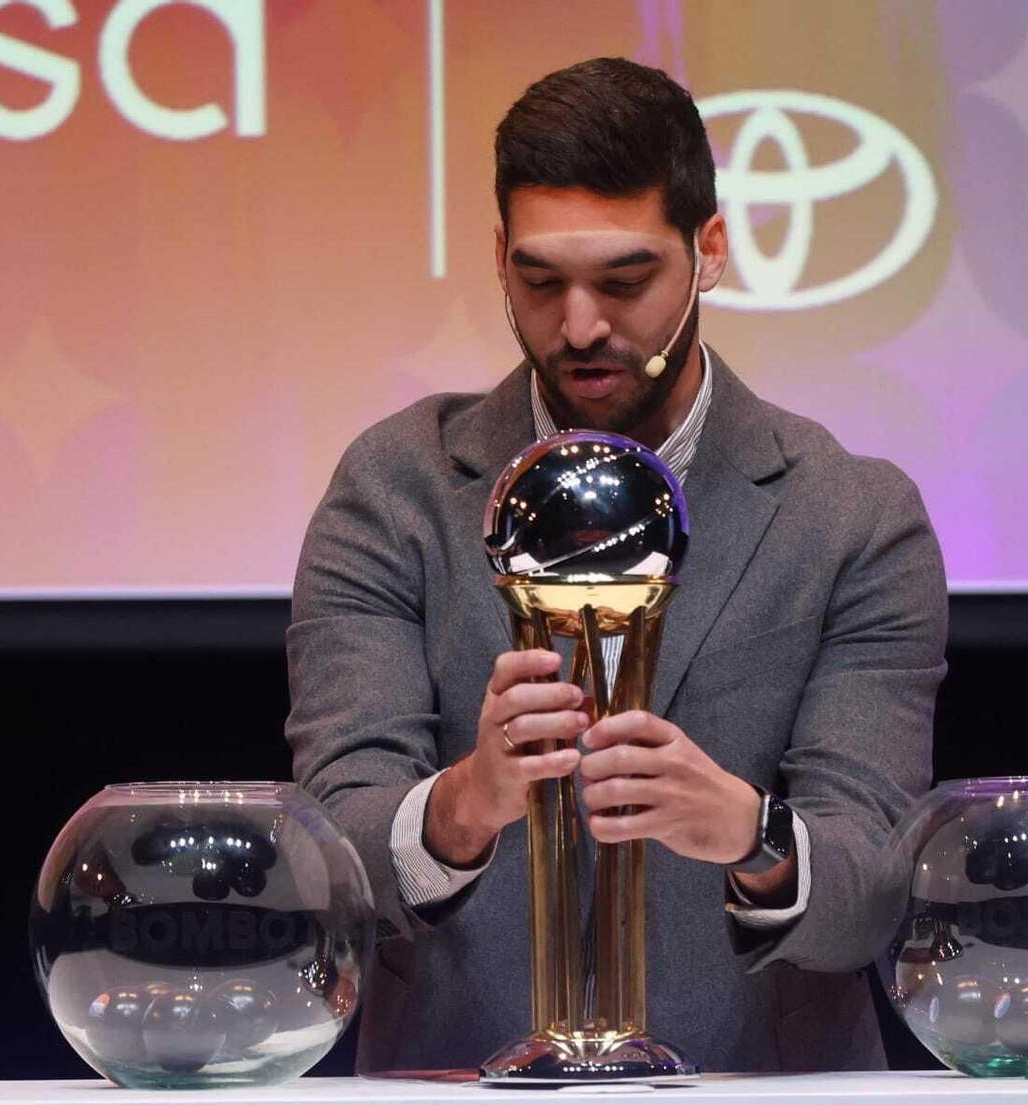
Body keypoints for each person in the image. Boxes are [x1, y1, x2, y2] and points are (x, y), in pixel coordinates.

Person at [285, 57, 947, 1074]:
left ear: (710, 250)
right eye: (540, 281)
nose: (581, 326)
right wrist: (462, 803)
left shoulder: (850, 515)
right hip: (458, 1083)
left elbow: (873, 893)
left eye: (625, 281)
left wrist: (751, 837)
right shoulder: (396, 487)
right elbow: (330, 852)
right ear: (499, 255)